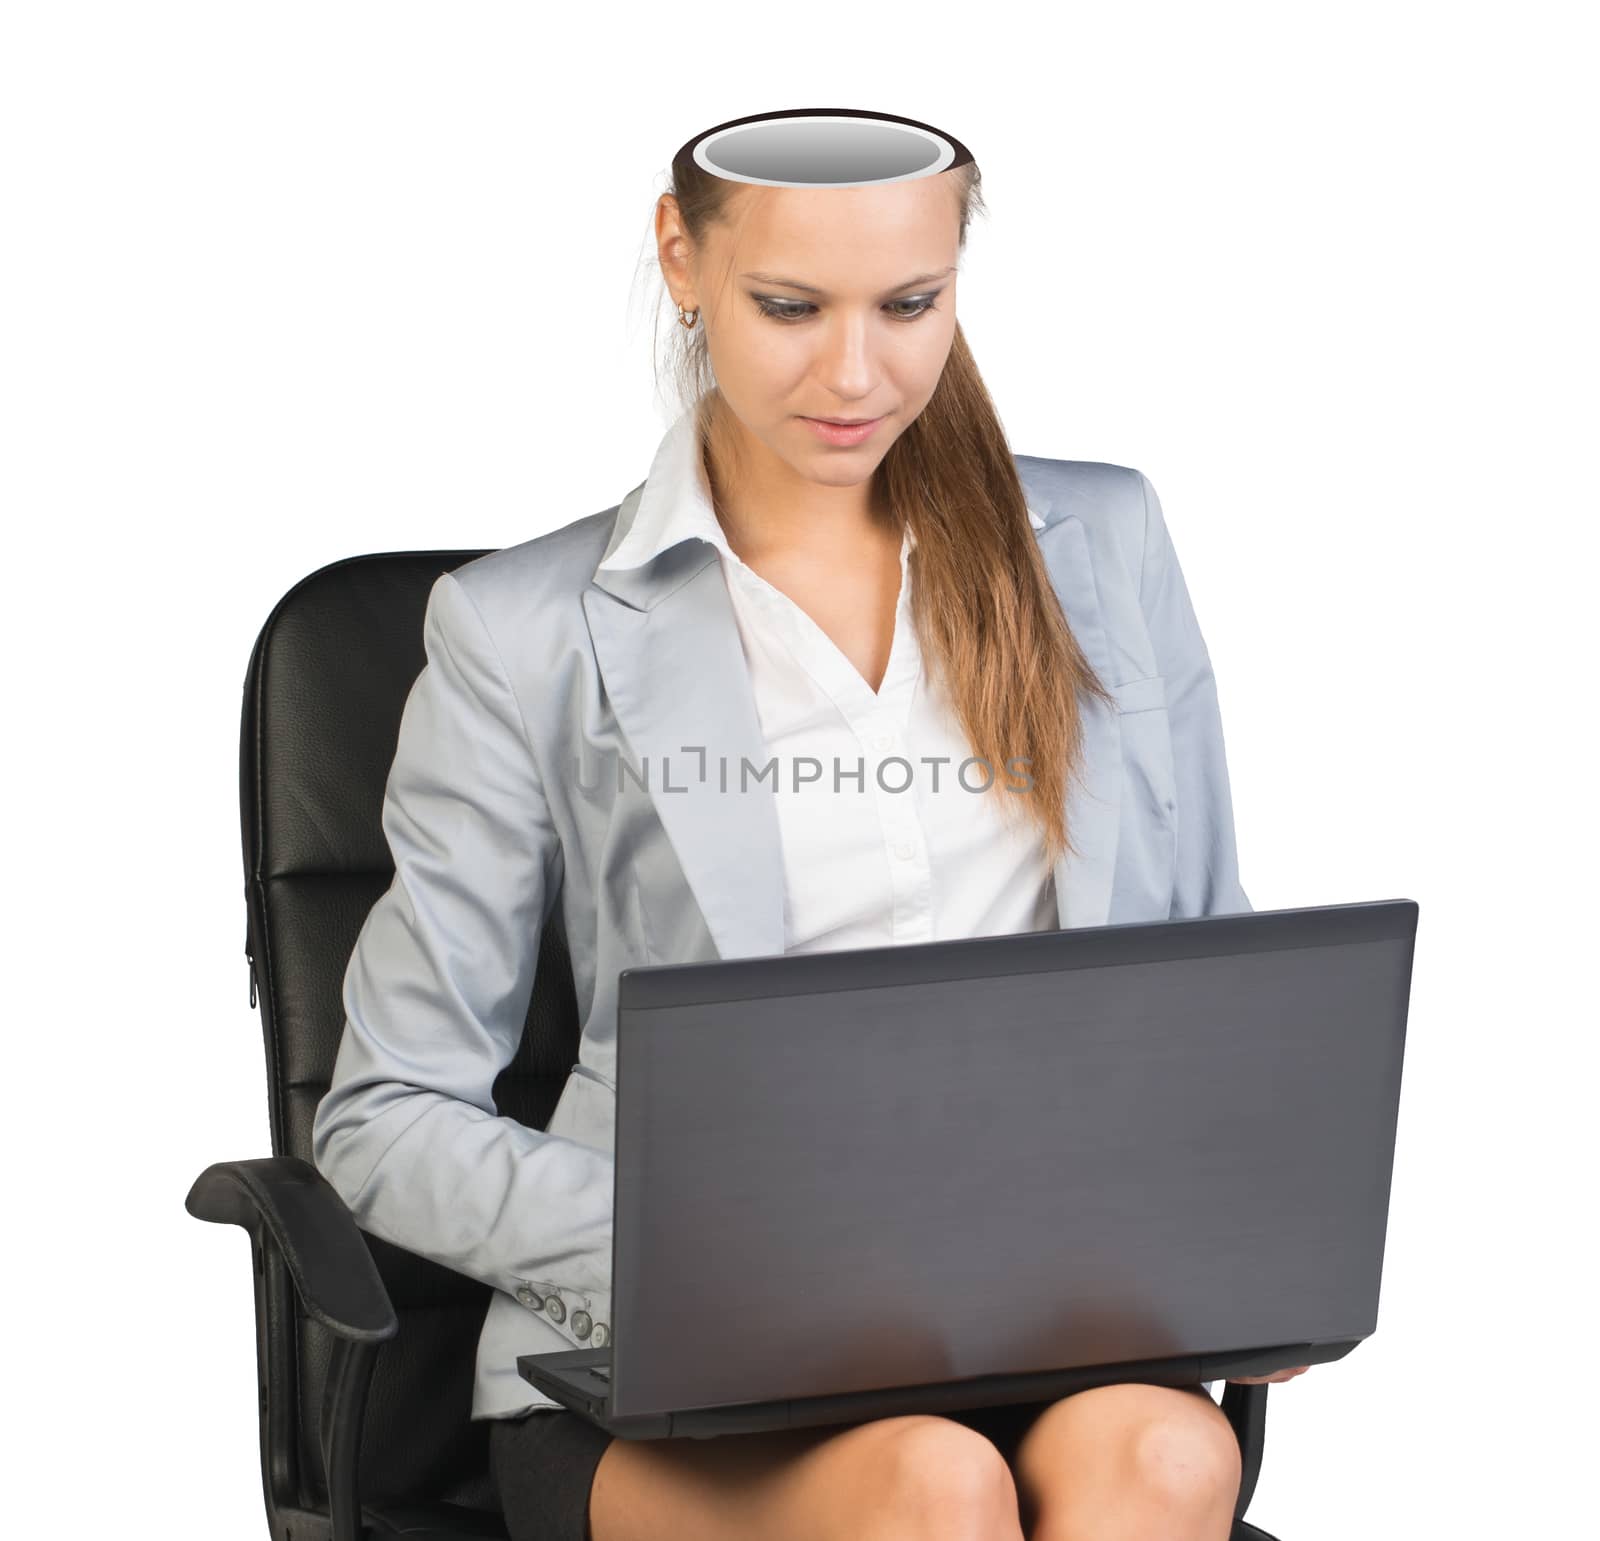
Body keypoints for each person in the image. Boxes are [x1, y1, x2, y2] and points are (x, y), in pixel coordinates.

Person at [313, 109, 1307, 1541]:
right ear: (683, 260)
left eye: (910, 305)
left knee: (1168, 1461)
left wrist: (1244, 1235)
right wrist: (701, 1257)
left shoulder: (1106, 546)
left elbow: (1210, 972)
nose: (858, 371)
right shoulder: (524, 630)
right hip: (678, 1371)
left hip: (1047, 1325)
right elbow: (382, 1117)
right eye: (791, 307)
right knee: (932, 1484)